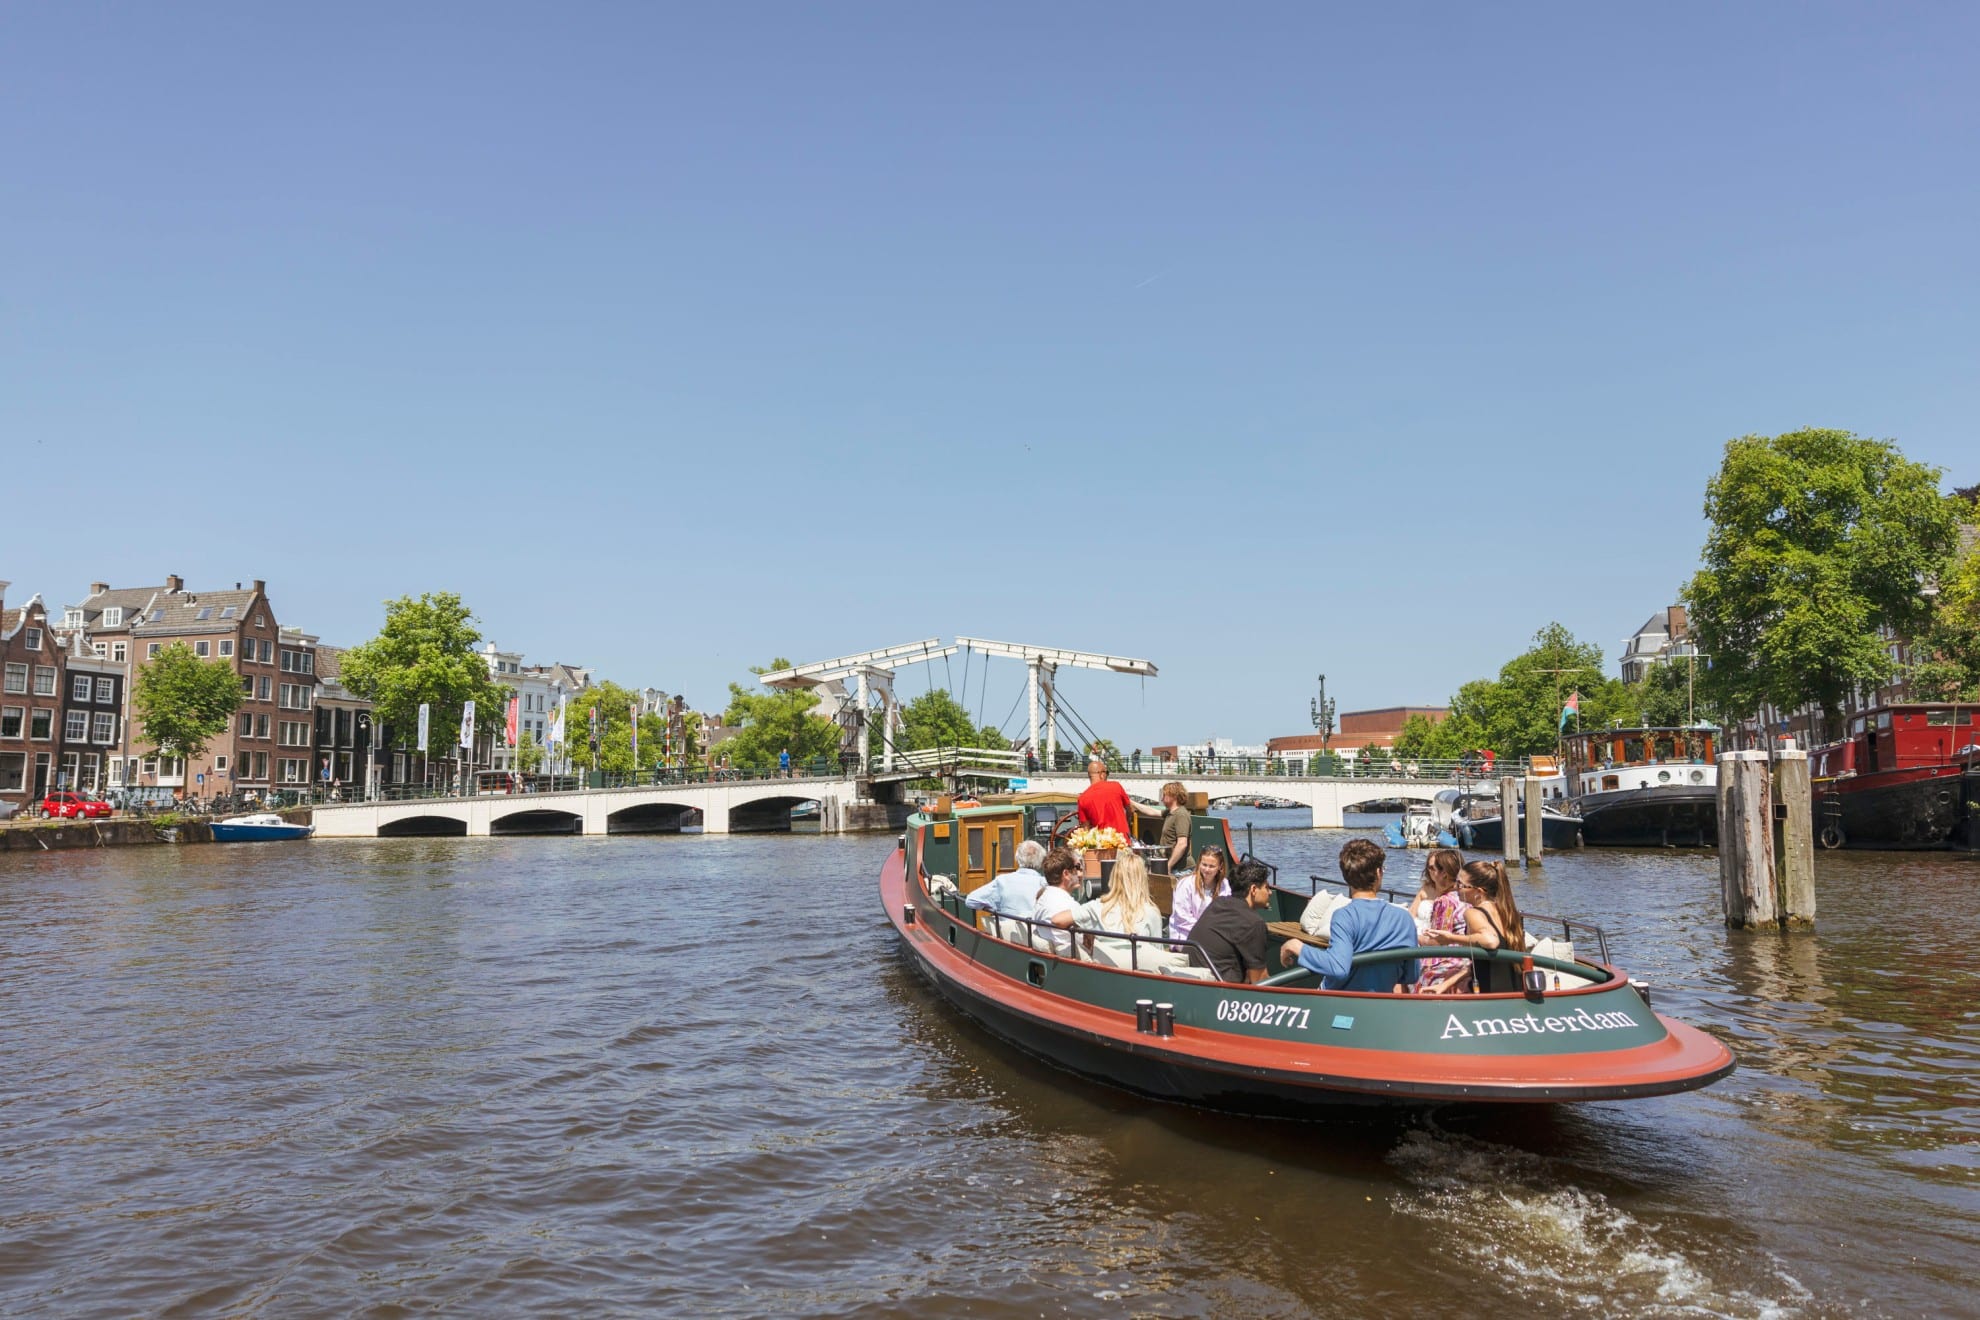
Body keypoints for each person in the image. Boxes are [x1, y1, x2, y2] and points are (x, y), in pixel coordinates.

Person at [1279, 838, 1421, 992]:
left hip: (1339, 1001)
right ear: (1379, 873)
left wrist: (1296, 946)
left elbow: (1338, 967)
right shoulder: (1404, 918)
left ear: (1346, 877)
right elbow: (1411, 974)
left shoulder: (1344, 916)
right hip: (1380, 999)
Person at [1425, 860, 1528, 992]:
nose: (1455, 887)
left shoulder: (1473, 913)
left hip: (1489, 995)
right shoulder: (1508, 913)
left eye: (1461, 884)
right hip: (1515, 992)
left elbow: (1491, 941)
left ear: (1478, 891)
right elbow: (1483, 962)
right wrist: (1446, 984)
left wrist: (1450, 938)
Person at [1053, 850, 1165, 968]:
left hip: (1103, 976)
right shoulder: (1151, 912)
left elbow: (1057, 920)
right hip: (1140, 979)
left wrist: (1085, 930)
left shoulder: (1097, 907)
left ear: (1114, 877)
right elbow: (1158, 954)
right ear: (1143, 879)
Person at [1188, 859, 1275, 984]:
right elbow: (1260, 981)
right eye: (1266, 887)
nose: (1270, 893)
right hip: (1222, 991)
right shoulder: (1254, 923)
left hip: (1192, 978)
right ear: (1254, 890)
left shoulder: (1218, 903)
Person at [1409, 848, 1474, 994]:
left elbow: (1438, 940)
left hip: (1448, 961)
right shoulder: (1464, 895)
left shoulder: (1445, 901)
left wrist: (1413, 938)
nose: (1431, 873)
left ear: (1443, 873)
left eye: (1434, 869)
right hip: (1466, 958)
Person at [965, 839, 1051, 938]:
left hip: (1007, 937)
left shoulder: (1002, 881)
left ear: (1017, 858)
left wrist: (993, 907)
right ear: (1041, 861)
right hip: (1034, 938)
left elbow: (971, 900)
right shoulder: (1045, 884)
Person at [1169, 844, 1231, 944]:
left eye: (1211, 866)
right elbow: (1182, 918)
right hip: (1186, 937)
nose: (1206, 869)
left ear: (1220, 867)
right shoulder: (1186, 884)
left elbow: (1225, 914)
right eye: (1204, 864)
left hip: (1214, 934)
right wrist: (1206, 931)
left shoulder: (1225, 884)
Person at [1029, 848, 1085, 956]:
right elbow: (1085, 942)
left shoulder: (1042, 899)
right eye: (1077, 867)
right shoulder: (1069, 907)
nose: (1080, 873)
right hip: (1073, 960)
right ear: (1066, 874)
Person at [1076, 756, 1133, 835]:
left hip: (1101, 844)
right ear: (1101, 774)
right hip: (1122, 840)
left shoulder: (1082, 798)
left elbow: (1085, 829)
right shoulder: (1116, 786)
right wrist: (1126, 823)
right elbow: (1129, 809)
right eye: (1107, 773)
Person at [1156, 780, 1192, 874]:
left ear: (1174, 796)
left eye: (1164, 795)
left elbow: (1182, 844)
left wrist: (1169, 865)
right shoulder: (1170, 813)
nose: (1162, 799)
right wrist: (1131, 803)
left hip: (1180, 870)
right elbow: (1151, 812)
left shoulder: (1181, 815)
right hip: (1174, 867)